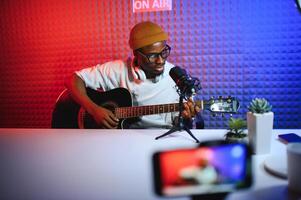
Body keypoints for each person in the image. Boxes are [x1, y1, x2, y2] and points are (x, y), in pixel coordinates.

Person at [65, 21, 202, 129]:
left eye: (164, 52)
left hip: (162, 137)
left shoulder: (177, 77)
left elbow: (183, 121)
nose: (160, 60)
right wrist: (94, 110)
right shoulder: (116, 69)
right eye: (152, 56)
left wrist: (187, 117)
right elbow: (73, 80)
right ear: (136, 54)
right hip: (121, 141)